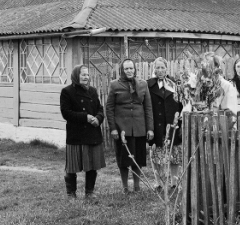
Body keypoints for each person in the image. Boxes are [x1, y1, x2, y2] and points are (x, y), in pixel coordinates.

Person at [106, 58, 154, 193]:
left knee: (138, 157)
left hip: (139, 127)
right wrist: (113, 128)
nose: (129, 71)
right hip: (122, 128)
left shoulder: (143, 84)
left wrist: (150, 128)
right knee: (123, 159)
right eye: (126, 68)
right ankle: (125, 187)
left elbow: (148, 108)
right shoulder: (115, 85)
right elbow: (109, 108)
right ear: (122, 70)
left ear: (135, 69)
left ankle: (137, 186)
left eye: (131, 68)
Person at [60, 65, 105, 200]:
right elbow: (66, 113)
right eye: (83, 75)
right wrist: (85, 117)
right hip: (76, 135)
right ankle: (71, 194)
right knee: (72, 166)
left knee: (91, 165)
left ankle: (89, 193)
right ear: (76, 76)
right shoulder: (67, 92)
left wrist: (98, 118)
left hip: (92, 133)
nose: (86, 77)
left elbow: (100, 109)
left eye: (87, 75)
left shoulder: (92, 91)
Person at [147, 57, 183, 189]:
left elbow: (180, 104)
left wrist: (179, 121)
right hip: (157, 124)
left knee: (174, 154)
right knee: (157, 153)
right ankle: (159, 182)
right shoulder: (148, 85)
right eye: (158, 67)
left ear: (167, 69)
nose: (160, 70)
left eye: (163, 67)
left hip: (172, 123)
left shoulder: (174, 84)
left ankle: (174, 182)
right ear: (154, 69)